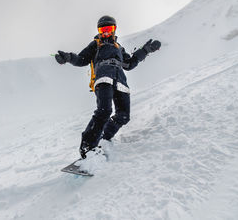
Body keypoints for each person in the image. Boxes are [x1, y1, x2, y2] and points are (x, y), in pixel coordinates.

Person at [55, 15, 161, 159]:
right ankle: (88, 146)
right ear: (99, 30)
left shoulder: (119, 47)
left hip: (121, 82)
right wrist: (68, 57)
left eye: (109, 29)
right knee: (104, 111)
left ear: (114, 30)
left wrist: (146, 50)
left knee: (123, 116)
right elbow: (81, 59)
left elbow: (129, 64)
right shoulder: (96, 44)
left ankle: (104, 137)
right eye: (102, 29)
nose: (105, 32)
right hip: (104, 77)